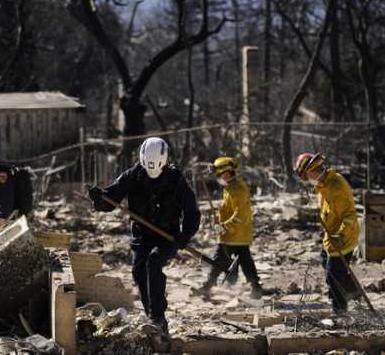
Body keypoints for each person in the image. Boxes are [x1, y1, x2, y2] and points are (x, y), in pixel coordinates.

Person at [87, 137, 201, 333]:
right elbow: (111, 199)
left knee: (154, 262)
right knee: (139, 272)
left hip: (167, 236)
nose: (151, 175)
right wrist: (100, 198)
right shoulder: (133, 175)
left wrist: (185, 234)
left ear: (164, 162)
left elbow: (192, 211)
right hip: (142, 235)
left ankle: (158, 318)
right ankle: (150, 314)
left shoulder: (176, 179)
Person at [294, 152, 360, 313]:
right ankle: (353, 291)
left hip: (343, 238)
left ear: (313, 171)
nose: (307, 180)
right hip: (330, 237)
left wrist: (341, 235)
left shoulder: (336, 187)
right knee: (326, 260)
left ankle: (339, 311)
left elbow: (350, 216)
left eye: (307, 176)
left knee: (333, 277)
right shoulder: (323, 184)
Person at [195, 157, 264, 299]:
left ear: (226, 173)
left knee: (219, 259)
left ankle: (207, 287)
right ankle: (256, 288)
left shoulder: (237, 190)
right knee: (245, 261)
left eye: (219, 174)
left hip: (234, 235)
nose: (218, 177)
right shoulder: (230, 188)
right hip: (235, 235)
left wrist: (225, 228)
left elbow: (239, 215)